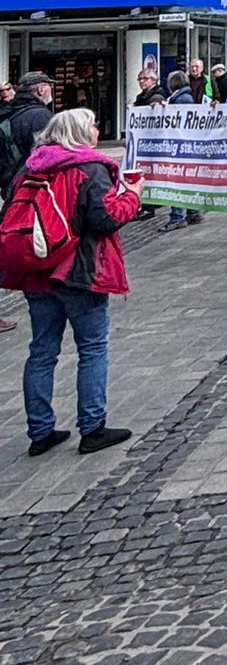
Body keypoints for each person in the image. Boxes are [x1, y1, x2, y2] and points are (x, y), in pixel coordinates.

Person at [2, 108, 140, 454]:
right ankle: (92, 427)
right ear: (81, 133)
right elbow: (106, 218)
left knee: (42, 351)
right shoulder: (89, 168)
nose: (97, 130)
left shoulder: (31, 167)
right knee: (92, 347)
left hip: (37, 272)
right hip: (79, 270)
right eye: (93, 125)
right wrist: (134, 195)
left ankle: (40, 431)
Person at [160, 73, 205, 228]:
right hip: (184, 145)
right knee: (186, 181)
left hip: (179, 146)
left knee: (177, 182)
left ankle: (177, 216)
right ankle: (193, 212)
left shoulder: (181, 99)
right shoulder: (184, 96)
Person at [0, 72, 54, 194]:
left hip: (10, 182)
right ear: (41, 90)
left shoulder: (9, 111)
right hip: (33, 183)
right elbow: (47, 153)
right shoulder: (41, 115)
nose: (51, 90)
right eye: (49, 86)